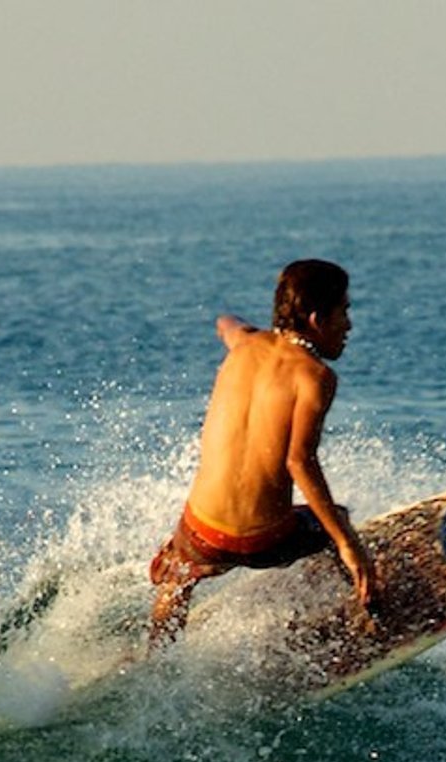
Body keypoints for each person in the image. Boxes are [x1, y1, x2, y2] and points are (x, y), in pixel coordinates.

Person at [147, 259, 378, 647]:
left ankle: (156, 652)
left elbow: (225, 321)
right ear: (318, 318)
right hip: (262, 539)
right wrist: (348, 544)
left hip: (202, 531)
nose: (349, 325)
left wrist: (236, 324)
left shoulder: (244, 344)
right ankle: (359, 618)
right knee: (337, 522)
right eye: (345, 311)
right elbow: (298, 461)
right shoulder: (315, 377)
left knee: (179, 572)